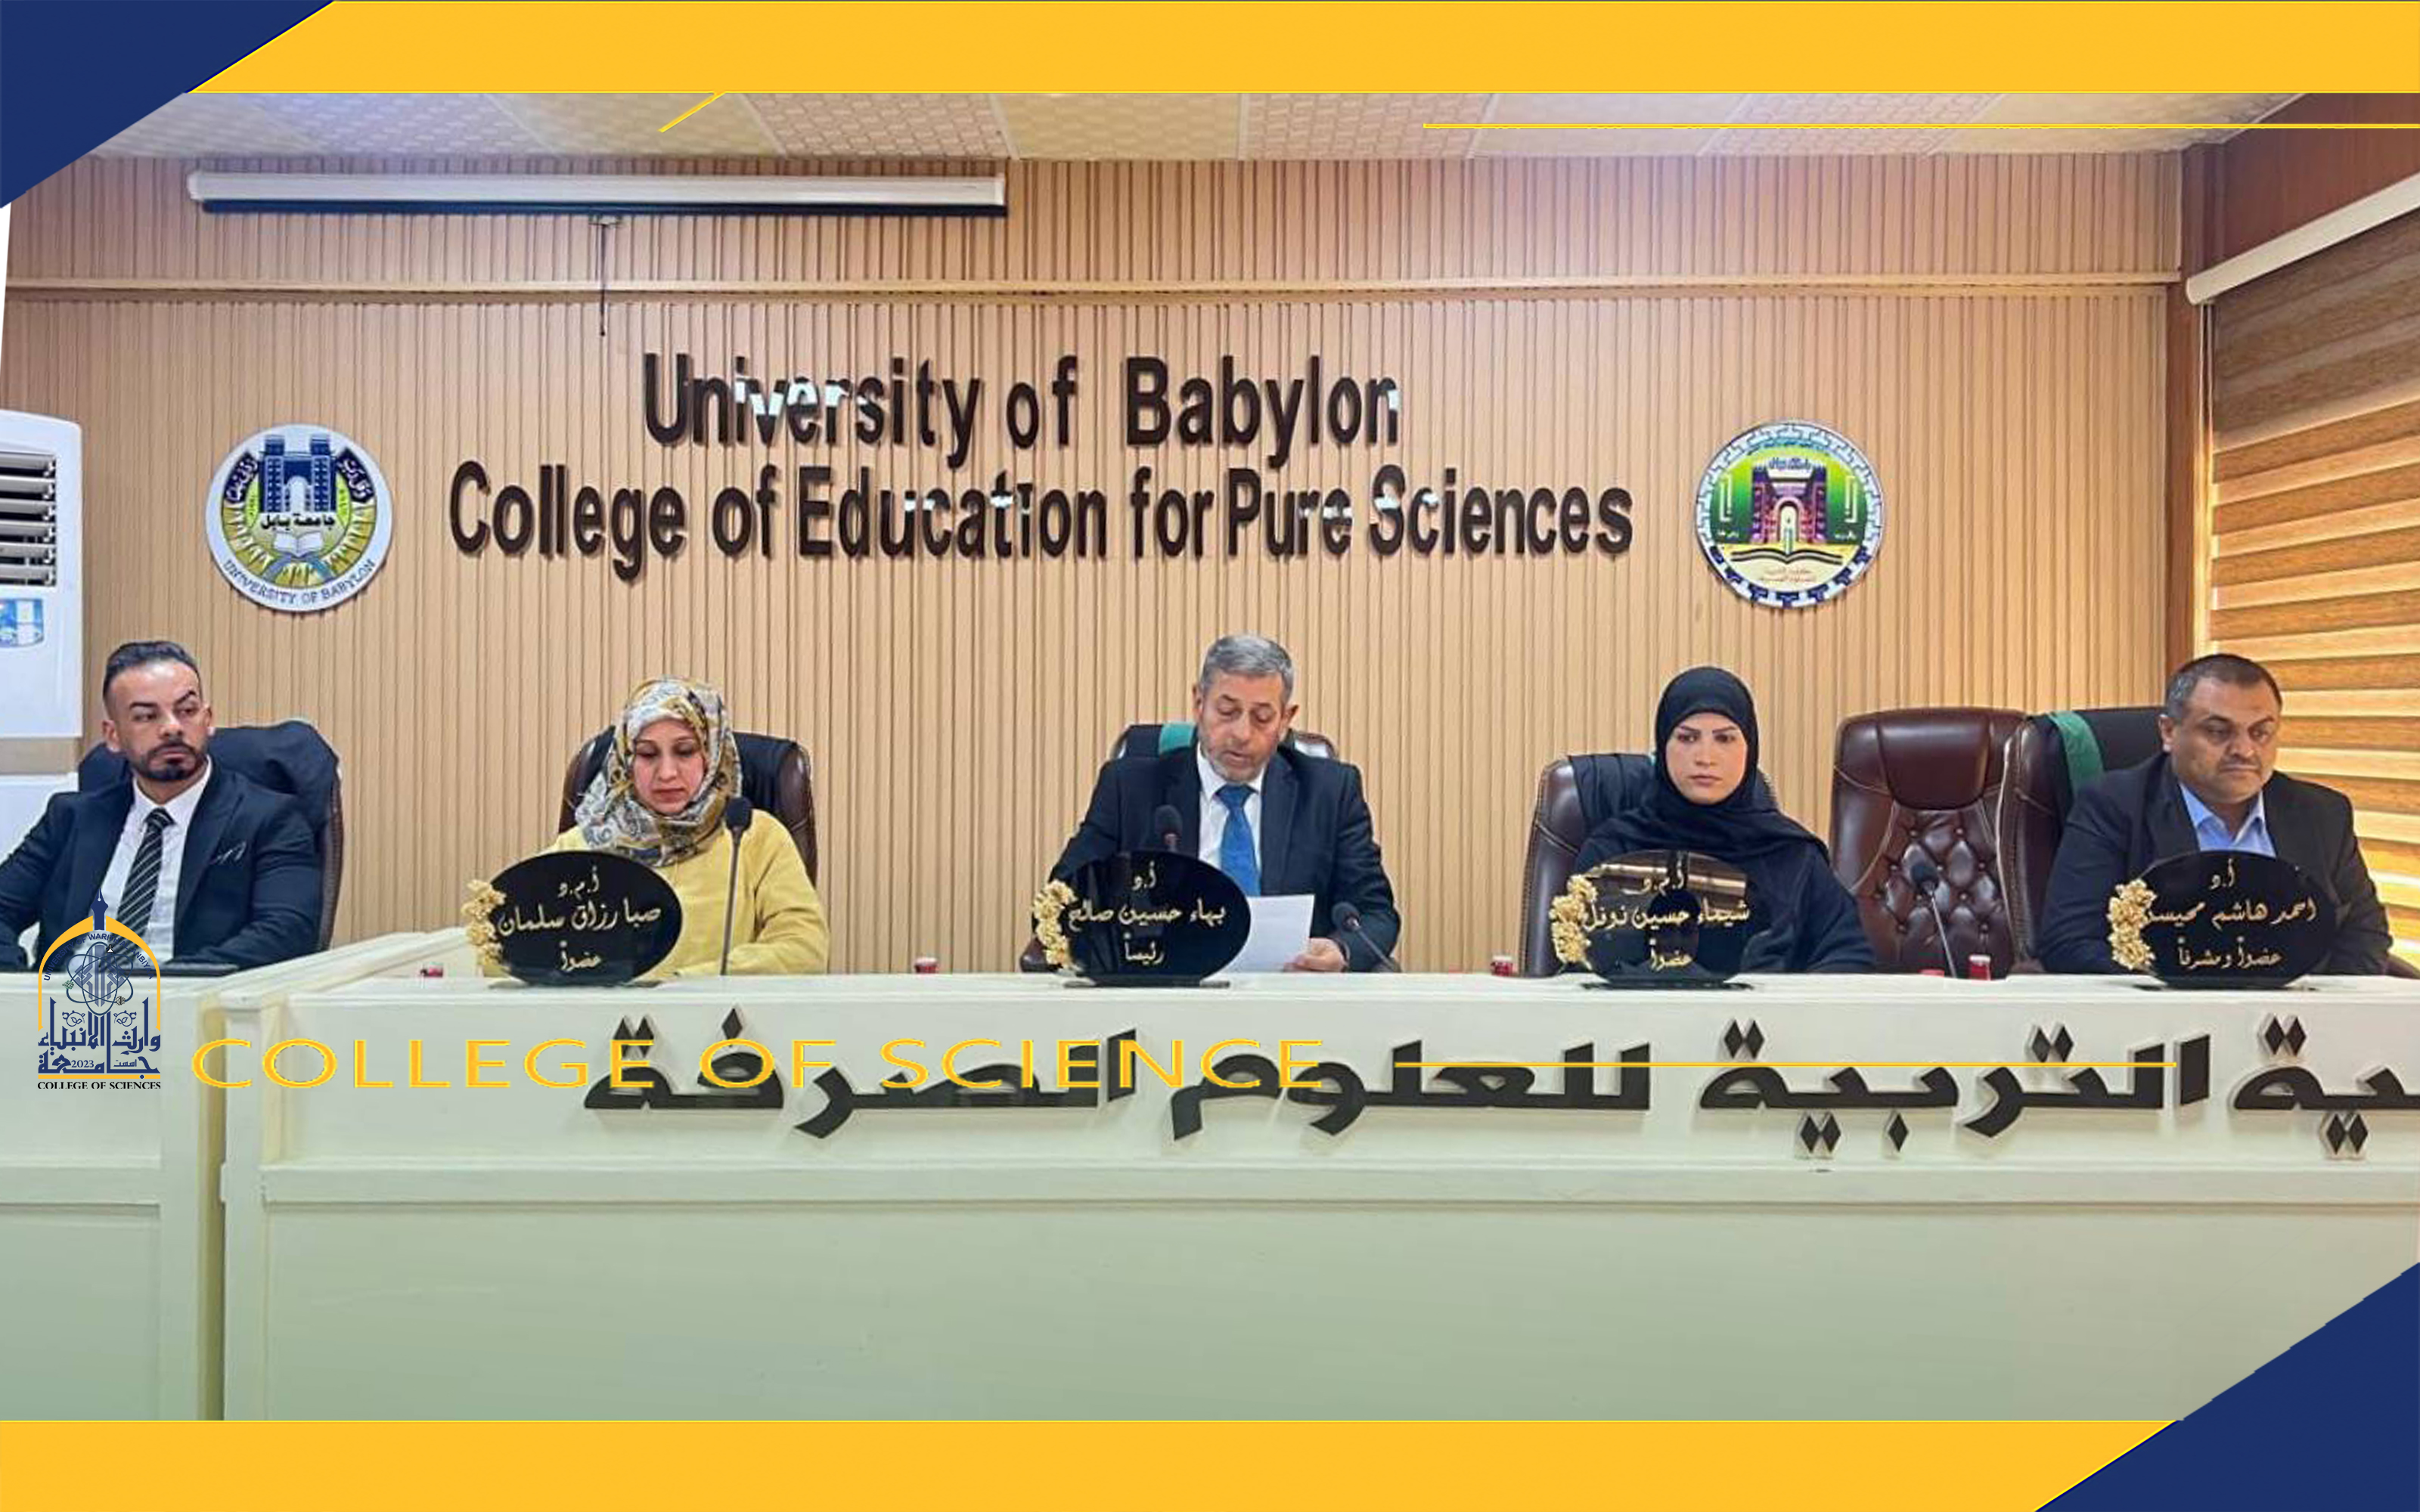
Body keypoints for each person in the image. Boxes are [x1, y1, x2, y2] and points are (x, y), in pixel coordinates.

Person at [1047, 634, 1399, 971]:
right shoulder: (1130, 788)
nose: (1242, 734)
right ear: (1199, 704)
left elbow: (1375, 913)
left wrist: (1341, 949)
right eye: (1227, 711)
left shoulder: (1330, 792)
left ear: (1285, 720)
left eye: (1262, 718)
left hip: (1290, 991)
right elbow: (1060, 901)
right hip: (1164, 989)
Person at [2036, 652, 2390, 974]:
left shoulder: (2322, 814)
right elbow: (2070, 942)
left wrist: (2317, 1009)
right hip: (2167, 1017)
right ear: (2169, 732)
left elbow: (2365, 937)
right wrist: (2185, 996)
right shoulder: (2114, 806)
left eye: (2261, 733)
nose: (2244, 750)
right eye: (2219, 732)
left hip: (2299, 1016)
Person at [0, 640, 322, 972]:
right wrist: (18, 986)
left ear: (208, 720)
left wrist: (161, 985)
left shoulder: (269, 819)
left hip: (190, 999)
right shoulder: (71, 818)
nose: (172, 728)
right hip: (67, 999)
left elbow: (286, 932)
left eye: (187, 711)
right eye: (146, 716)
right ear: (113, 736)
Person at [1570, 666, 1874, 974]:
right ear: (1663, 746)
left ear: (1749, 748)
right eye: (1687, 738)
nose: (1705, 757)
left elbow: (1849, 956)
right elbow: (1579, 966)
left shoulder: (1791, 855)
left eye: (1725, 739)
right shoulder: (1613, 851)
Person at [540, 677, 827, 978]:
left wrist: (683, 984)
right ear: (626, 761)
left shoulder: (754, 836)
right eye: (647, 754)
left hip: (717, 1007)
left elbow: (804, 948)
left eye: (685, 751)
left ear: (711, 755)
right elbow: (511, 943)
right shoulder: (581, 845)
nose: (666, 773)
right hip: (603, 1009)